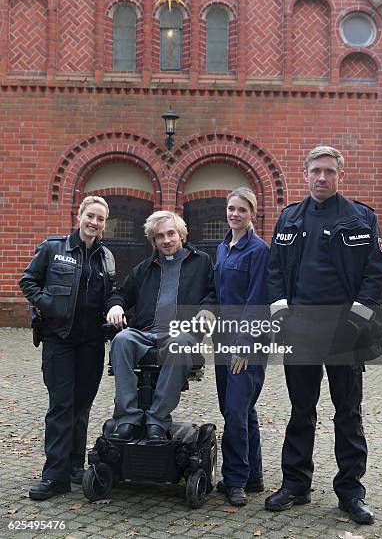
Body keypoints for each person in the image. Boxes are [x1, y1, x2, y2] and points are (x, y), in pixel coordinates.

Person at [266, 146, 382, 524]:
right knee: (301, 411)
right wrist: (281, 310)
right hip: (301, 328)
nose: (322, 177)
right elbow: (274, 270)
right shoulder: (289, 219)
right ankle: (295, 485)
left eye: (329, 171)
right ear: (305, 174)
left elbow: (377, 274)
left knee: (348, 412)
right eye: (316, 171)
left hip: (344, 330)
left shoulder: (360, 218)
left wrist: (356, 320)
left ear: (340, 175)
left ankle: (351, 492)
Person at [19, 196, 116, 501]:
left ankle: (75, 467)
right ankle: (54, 475)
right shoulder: (53, 248)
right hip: (59, 339)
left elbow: (112, 293)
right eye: (90, 216)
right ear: (79, 216)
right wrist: (50, 305)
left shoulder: (106, 257)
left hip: (91, 343)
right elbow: (28, 281)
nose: (94, 223)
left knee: (81, 407)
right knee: (61, 406)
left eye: (100, 219)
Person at [106, 211, 216, 442]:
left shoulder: (201, 262)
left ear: (181, 234)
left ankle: (157, 419)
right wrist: (116, 307)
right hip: (146, 333)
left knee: (179, 343)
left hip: (181, 334)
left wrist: (207, 309)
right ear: (153, 241)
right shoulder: (145, 268)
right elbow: (121, 295)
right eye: (159, 236)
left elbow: (212, 293)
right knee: (122, 340)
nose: (166, 240)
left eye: (171, 234)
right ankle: (127, 418)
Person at [213, 188, 270, 507]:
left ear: (252, 214)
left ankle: (235, 480)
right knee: (239, 408)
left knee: (235, 410)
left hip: (247, 343)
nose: (235, 214)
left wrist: (245, 345)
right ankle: (254, 475)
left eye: (242, 210)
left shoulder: (259, 250)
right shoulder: (223, 247)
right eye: (231, 208)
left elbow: (258, 300)